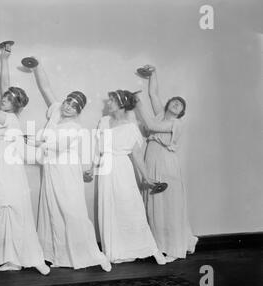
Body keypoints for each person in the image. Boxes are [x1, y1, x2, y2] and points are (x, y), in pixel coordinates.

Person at [0, 47, 50, 275]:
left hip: (3, 165)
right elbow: (5, 86)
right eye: (5, 98)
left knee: (8, 208)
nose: (4, 99)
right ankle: (10, 259)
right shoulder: (8, 114)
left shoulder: (5, 117)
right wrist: (5, 59)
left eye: (9, 99)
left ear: (16, 106)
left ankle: (26, 257)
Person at [26, 58, 112, 271]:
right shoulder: (56, 111)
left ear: (78, 111)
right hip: (52, 170)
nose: (67, 107)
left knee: (73, 212)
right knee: (53, 210)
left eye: (74, 106)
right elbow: (46, 88)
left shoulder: (74, 128)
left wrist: (31, 139)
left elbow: (55, 145)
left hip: (67, 171)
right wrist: (37, 67)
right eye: (67, 102)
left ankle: (95, 254)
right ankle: (60, 256)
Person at [84, 90, 166, 265]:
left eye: (112, 101)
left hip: (123, 169)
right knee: (109, 209)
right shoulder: (104, 121)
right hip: (106, 170)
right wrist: (92, 168)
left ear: (121, 104)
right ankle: (114, 252)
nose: (108, 104)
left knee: (131, 207)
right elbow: (98, 147)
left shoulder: (130, 127)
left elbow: (136, 155)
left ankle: (151, 249)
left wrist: (147, 177)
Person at [136, 65, 198, 262]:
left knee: (170, 202)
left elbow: (151, 126)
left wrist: (137, 103)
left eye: (181, 105)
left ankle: (174, 248)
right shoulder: (161, 115)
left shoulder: (175, 124)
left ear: (181, 113)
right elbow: (154, 94)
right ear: (168, 104)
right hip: (152, 158)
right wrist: (153, 73)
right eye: (175, 102)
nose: (177, 104)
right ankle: (160, 245)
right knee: (155, 200)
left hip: (166, 161)